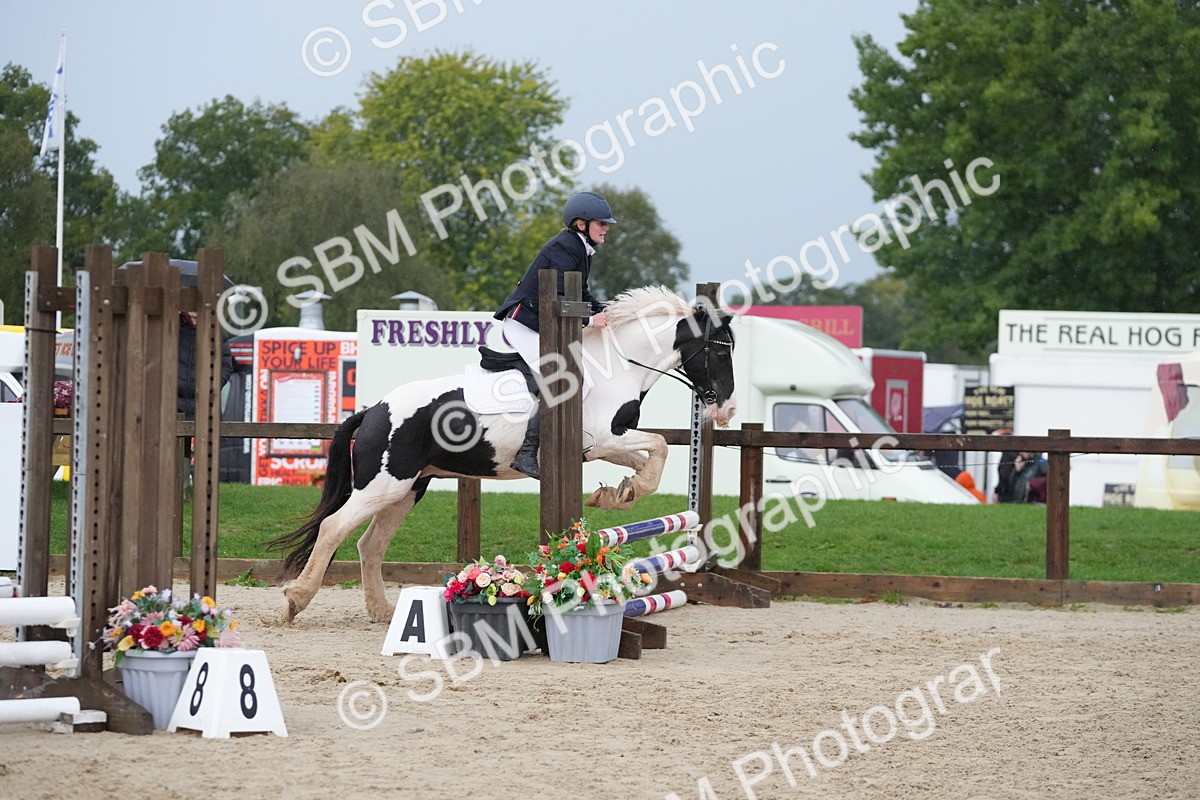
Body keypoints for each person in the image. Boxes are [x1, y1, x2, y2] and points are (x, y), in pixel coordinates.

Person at [493, 191, 615, 478]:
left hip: (540, 322)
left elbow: (580, 291)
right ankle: (526, 453)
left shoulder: (580, 249)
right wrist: (589, 318)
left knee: (578, 383)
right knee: (560, 379)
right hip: (525, 324)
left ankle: (565, 443)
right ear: (581, 223)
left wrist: (609, 310)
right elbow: (558, 300)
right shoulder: (565, 247)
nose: (606, 228)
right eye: (601, 223)